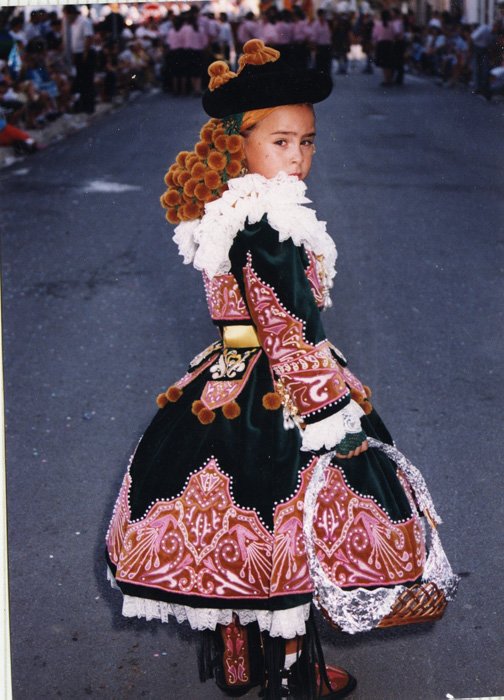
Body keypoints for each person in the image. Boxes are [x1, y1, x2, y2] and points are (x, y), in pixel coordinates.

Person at [106, 39, 456, 699]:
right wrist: (332, 418)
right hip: (282, 392)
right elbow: (289, 333)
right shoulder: (271, 223)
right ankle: (295, 671)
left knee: (236, 527)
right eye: (281, 142)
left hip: (224, 379)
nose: (298, 157)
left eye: (308, 142)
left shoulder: (227, 210)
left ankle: (236, 648)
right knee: (291, 528)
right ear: (239, 145)